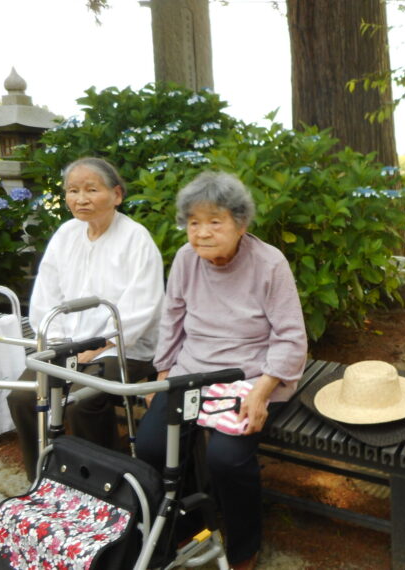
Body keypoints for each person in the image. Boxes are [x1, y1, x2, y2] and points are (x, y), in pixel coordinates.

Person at [135, 171, 307, 570]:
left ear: (240, 224)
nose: (202, 233)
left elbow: (290, 335)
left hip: (251, 375)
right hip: (191, 371)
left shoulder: (269, 262)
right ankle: (191, 527)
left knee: (227, 458)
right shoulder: (185, 258)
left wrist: (262, 391)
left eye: (215, 221)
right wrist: (163, 374)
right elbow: (172, 318)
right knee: (152, 446)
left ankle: (244, 547)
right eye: (194, 222)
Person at [7, 157, 164, 481]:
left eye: (91, 190)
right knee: (22, 396)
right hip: (66, 344)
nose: (81, 199)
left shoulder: (136, 238)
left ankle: (104, 482)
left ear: (116, 195)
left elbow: (143, 305)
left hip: (123, 347)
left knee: (81, 401)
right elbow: (46, 295)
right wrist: (59, 344)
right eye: (73, 190)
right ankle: (42, 478)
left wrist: (98, 346)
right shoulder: (66, 234)